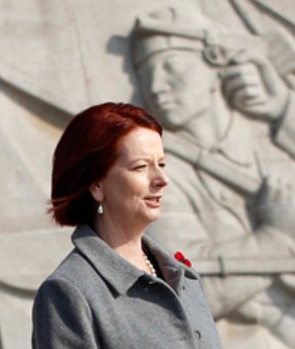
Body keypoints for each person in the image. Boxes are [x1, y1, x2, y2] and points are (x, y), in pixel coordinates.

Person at [132, 7, 295, 348]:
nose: (156, 87)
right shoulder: (157, 176)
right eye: (146, 75)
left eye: (171, 69)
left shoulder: (276, 131)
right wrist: (274, 239)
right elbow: (182, 295)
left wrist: (283, 107)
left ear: (213, 67)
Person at [32, 102, 221, 349]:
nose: (162, 180)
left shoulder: (184, 278)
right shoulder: (68, 292)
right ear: (96, 184)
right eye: (141, 167)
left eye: (161, 164)